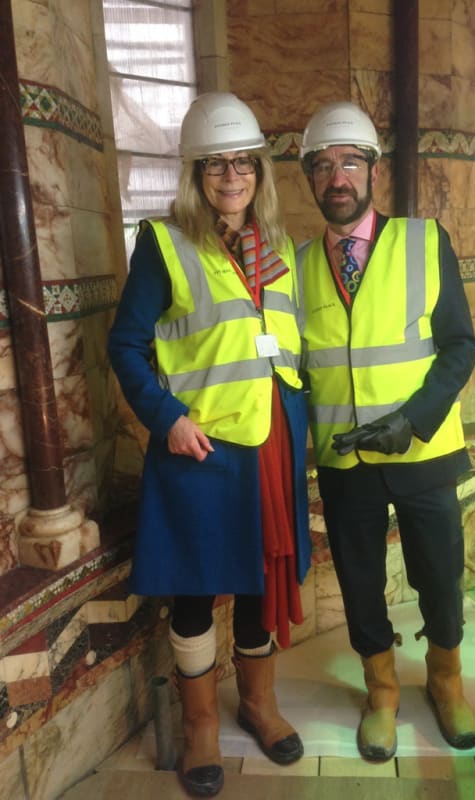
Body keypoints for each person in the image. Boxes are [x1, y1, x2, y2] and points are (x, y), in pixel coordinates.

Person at [108, 91, 311, 797]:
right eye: (215, 165)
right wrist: (166, 418)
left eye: (243, 163)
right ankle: (200, 726)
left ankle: (257, 702)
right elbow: (126, 345)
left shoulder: (280, 247)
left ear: (260, 170)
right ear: (195, 174)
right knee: (197, 593)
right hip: (201, 450)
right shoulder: (164, 244)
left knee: (258, 583)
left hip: (271, 446)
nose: (231, 177)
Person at [296, 101, 475, 760]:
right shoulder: (295, 268)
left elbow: (461, 346)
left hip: (425, 452)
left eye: (348, 162)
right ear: (309, 181)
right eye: (321, 167)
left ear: (372, 170)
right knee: (360, 584)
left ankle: (446, 683)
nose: (335, 178)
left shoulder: (425, 242)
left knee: (440, 575)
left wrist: (415, 419)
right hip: (346, 464)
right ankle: (381, 694)